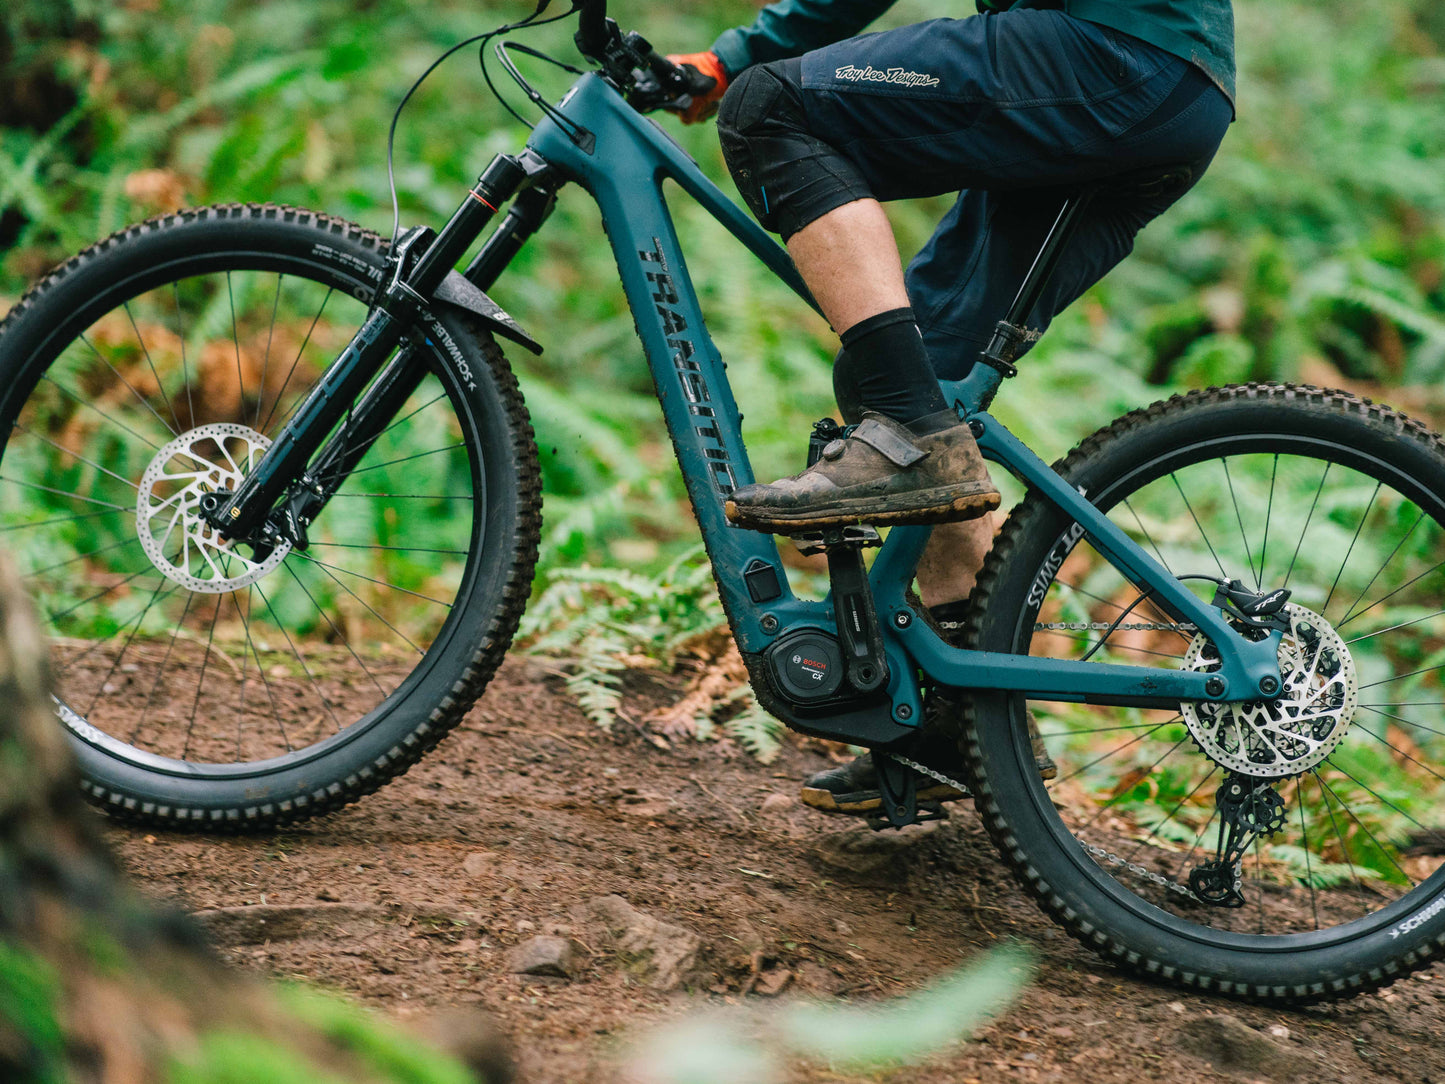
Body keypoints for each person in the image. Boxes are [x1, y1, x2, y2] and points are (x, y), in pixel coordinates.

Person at [668, 0, 1235, 816]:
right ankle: (960, 726)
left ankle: (913, 438)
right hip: (1167, 87)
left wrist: (737, 59)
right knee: (903, 364)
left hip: (1111, 53)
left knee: (770, 106)